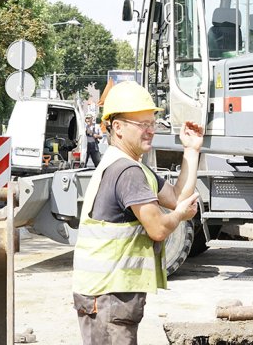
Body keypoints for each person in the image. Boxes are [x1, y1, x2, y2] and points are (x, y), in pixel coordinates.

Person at [72, 81, 202, 344]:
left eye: (152, 123)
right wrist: (180, 215)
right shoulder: (128, 172)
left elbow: (177, 196)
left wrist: (191, 149)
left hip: (107, 295)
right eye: (142, 124)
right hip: (108, 296)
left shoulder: (130, 166)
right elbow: (158, 229)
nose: (150, 130)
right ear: (117, 127)